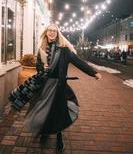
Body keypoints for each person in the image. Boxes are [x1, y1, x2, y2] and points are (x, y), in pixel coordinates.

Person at [24, 23, 102, 154]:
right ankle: (45, 132)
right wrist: (41, 67)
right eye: (50, 30)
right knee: (43, 109)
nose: (52, 32)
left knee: (58, 111)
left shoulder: (65, 50)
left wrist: (93, 72)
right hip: (44, 85)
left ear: (57, 33)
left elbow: (78, 62)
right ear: (46, 32)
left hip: (58, 86)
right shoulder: (41, 48)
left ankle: (59, 138)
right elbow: (38, 65)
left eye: (54, 31)